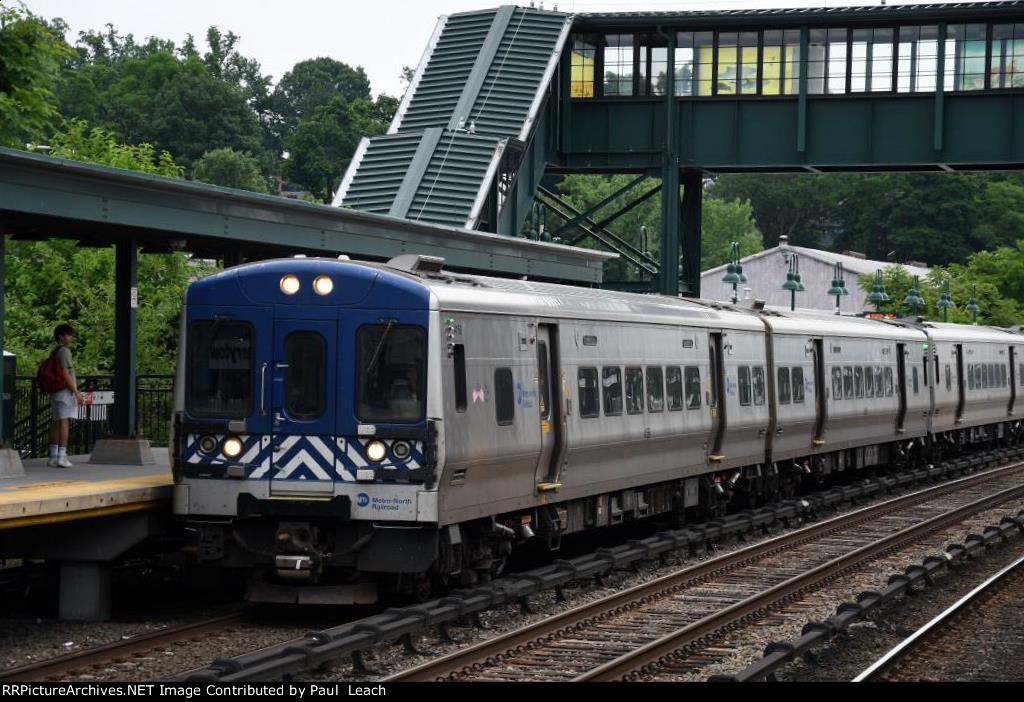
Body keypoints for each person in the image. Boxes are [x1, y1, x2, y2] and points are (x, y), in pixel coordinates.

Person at [48, 324, 83, 467]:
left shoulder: (54, 351)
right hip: (64, 392)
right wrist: (76, 392)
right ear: (61, 336)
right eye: (68, 335)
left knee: (56, 423)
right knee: (64, 423)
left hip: (55, 392)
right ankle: (62, 457)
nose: (71, 337)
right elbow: (65, 374)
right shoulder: (65, 351)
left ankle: (53, 456)